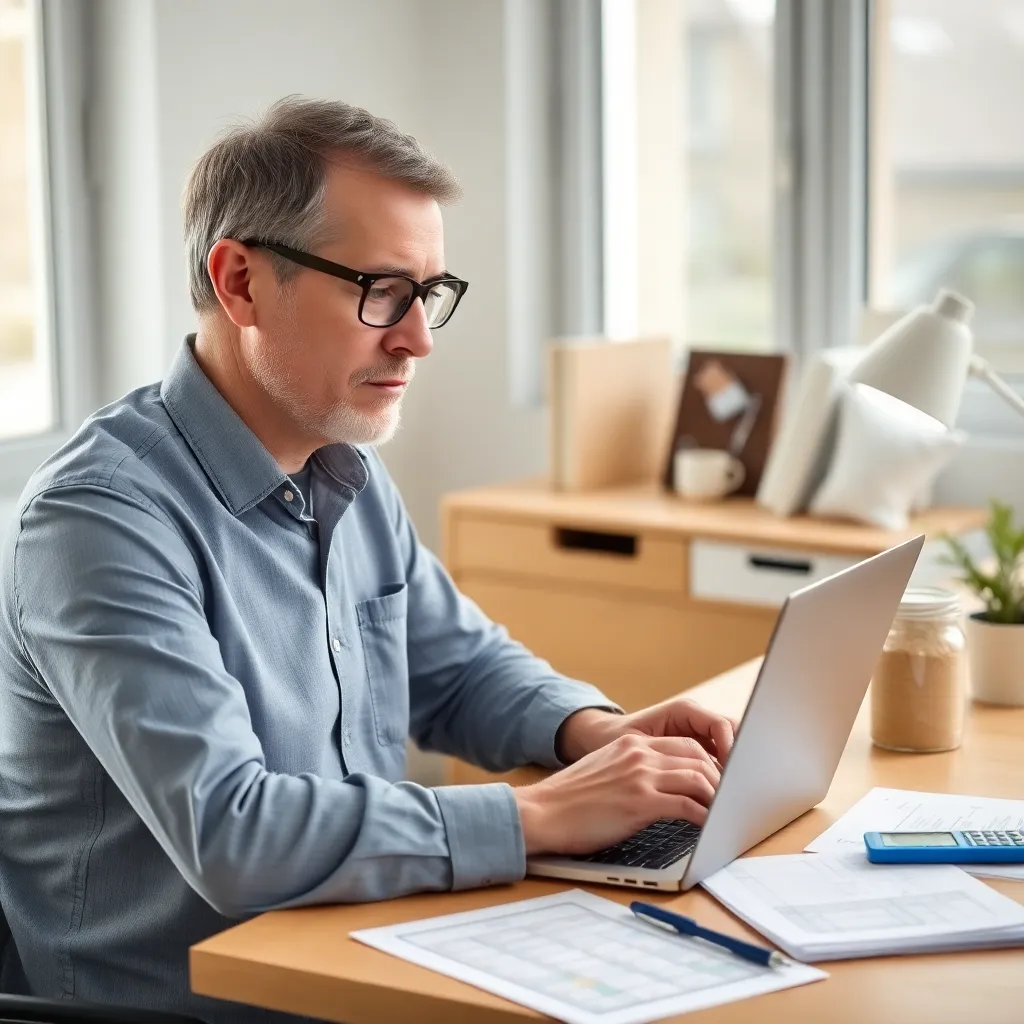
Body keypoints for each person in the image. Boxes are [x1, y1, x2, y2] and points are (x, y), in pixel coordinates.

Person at [0, 97, 734, 1023]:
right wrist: (539, 817)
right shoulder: (98, 521)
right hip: (197, 1003)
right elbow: (234, 834)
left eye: (428, 295)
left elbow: (457, 668)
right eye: (379, 291)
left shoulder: (338, 462)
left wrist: (591, 732)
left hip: (361, 947)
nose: (418, 338)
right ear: (241, 283)